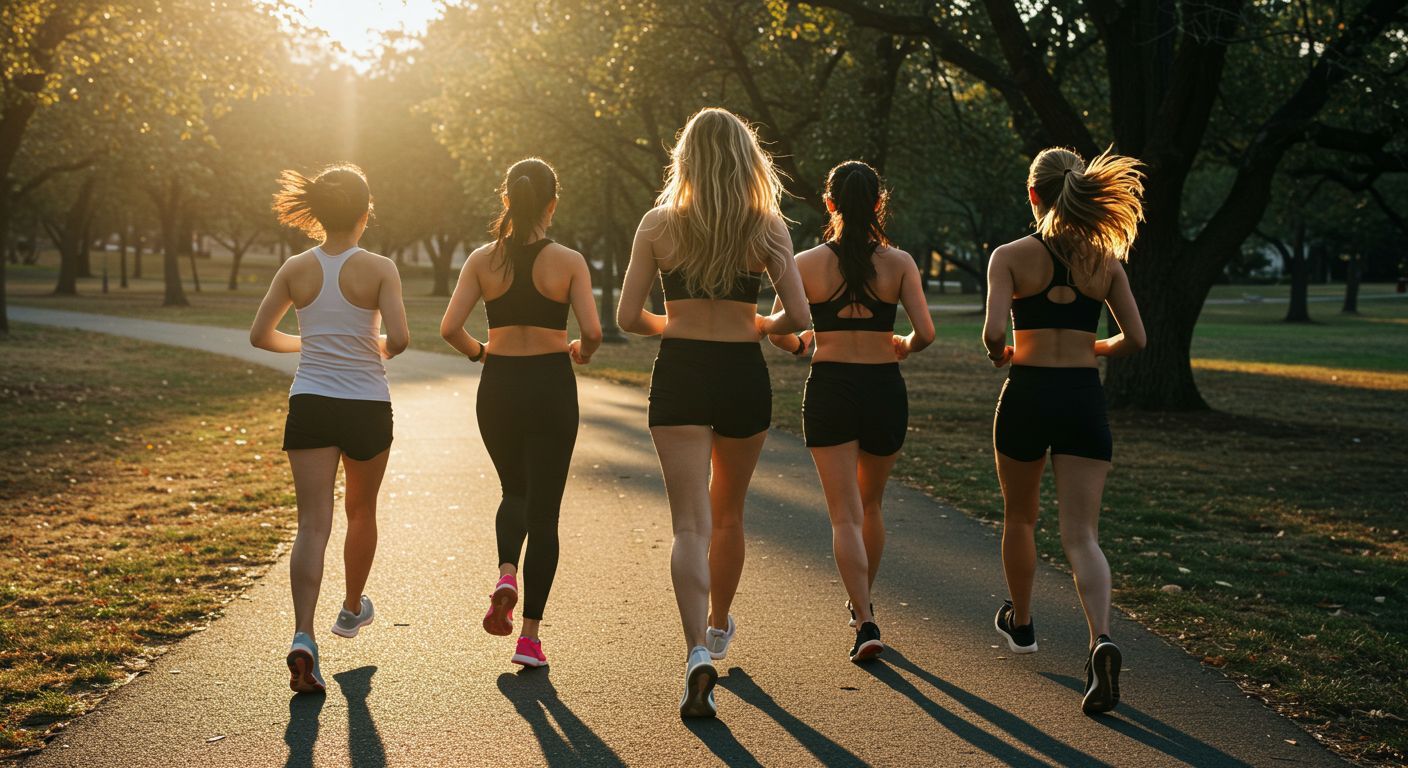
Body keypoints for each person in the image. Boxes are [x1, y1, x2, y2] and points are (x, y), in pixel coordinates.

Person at [618, 108, 809, 717]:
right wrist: (759, 321)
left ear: (685, 159)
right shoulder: (766, 227)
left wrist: (667, 322)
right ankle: (720, 622)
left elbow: (628, 319)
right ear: (745, 158)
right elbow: (800, 319)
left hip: (679, 374)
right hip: (741, 377)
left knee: (687, 526)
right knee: (727, 515)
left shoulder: (658, 223)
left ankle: (696, 651)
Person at [982, 147, 1146, 715]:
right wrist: (1094, 344)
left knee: (1021, 517)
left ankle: (1022, 623)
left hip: (1027, 395)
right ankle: (1100, 638)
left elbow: (992, 335)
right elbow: (1138, 340)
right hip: (1082, 398)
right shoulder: (1105, 261)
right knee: (1082, 536)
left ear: (1033, 195)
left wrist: (1004, 351)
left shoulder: (1009, 256)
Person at [251, 164, 409, 694]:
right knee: (361, 510)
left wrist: (312, 344)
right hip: (366, 402)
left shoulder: (295, 268)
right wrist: (373, 346)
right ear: (366, 213)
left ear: (317, 213)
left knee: (311, 523)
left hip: (312, 402)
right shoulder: (381, 267)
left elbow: (260, 335)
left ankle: (303, 635)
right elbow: (402, 338)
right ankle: (349, 610)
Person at [768, 161, 933, 662]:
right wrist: (900, 343)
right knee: (871, 507)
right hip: (884, 388)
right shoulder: (900, 262)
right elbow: (925, 334)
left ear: (830, 203)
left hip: (831, 388)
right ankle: (863, 603)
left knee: (844, 516)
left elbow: (780, 330)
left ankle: (864, 619)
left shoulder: (806, 263)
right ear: (878, 204)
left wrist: (802, 347)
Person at [440, 158, 602, 669]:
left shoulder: (482, 260)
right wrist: (581, 351)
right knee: (545, 512)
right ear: (551, 204)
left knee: (514, 490)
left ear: (506, 199)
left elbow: (450, 328)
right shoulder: (570, 260)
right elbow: (594, 332)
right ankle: (529, 638)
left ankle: (506, 571)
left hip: (500, 386)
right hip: (552, 384)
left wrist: (481, 353)